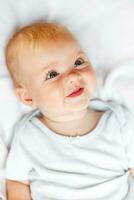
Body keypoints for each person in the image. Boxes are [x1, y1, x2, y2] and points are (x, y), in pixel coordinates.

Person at [5, 21, 134, 200]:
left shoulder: (119, 122)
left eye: (78, 62)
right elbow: (17, 181)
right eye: (52, 74)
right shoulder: (29, 135)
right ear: (28, 97)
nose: (73, 75)